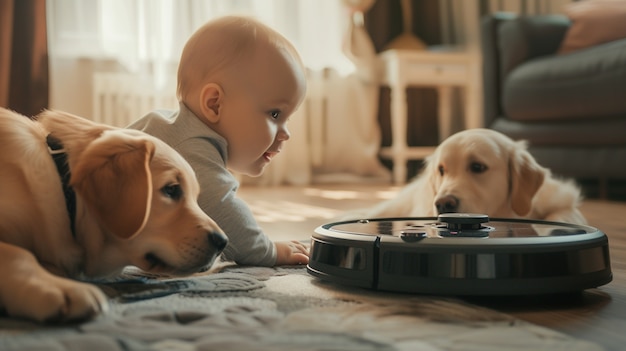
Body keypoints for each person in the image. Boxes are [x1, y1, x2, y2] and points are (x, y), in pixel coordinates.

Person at [128, 16, 309, 266]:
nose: (285, 133)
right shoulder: (188, 150)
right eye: (275, 114)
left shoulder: (176, 131)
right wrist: (270, 251)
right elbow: (226, 215)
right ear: (215, 103)